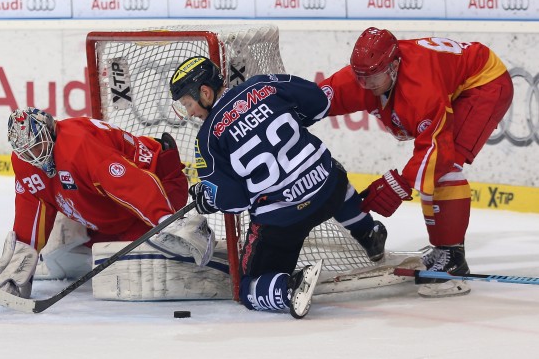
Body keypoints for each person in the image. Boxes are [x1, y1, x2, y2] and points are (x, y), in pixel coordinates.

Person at [169, 56, 387, 318]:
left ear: (204, 92)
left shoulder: (207, 140)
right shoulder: (262, 85)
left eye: (188, 104)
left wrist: (210, 198)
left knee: (247, 288)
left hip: (283, 222)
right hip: (327, 189)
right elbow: (318, 102)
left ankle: (289, 287)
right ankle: (368, 231)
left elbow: (235, 201)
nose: (190, 112)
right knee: (332, 172)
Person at [318, 27, 514, 297]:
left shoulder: (421, 86)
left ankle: (452, 258)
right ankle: (442, 248)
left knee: (446, 166)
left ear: (395, 65)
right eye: (361, 77)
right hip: (452, 80)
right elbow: (316, 98)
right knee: (435, 167)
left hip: (483, 83)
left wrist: (400, 183)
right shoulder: (367, 73)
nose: (367, 84)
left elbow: (437, 151)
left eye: (374, 76)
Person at [0, 108, 215, 299]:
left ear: (50, 132)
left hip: (159, 183)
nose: (34, 156)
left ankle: (192, 244)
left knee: (131, 268)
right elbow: (33, 203)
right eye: (26, 152)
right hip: (107, 208)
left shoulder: (78, 146)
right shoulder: (25, 161)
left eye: (38, 146)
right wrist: (24, 251)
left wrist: (165, 219)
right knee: (57, 256)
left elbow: (130, 183)